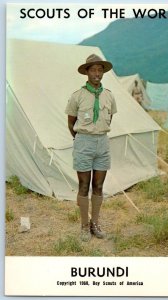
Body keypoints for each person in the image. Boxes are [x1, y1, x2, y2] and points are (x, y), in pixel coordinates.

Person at [65, 54, 117, 242]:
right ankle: (84, 226)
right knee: (84, 185)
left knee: (99, 185)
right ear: (86, 72)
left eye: (100, 70)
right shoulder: (77, 96)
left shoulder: (109, 95)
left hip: (102, 142)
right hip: (83, 142)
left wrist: (98, 132)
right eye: (93, 69)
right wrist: (81, 139)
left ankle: (95, 223)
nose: (97, 73)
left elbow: (110, 118)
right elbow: (71, 123)